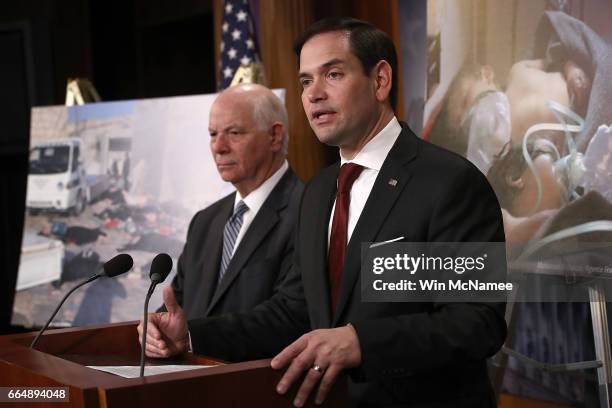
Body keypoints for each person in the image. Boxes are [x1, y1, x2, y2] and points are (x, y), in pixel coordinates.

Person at [139, 18, 506, 407]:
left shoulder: (450, 182)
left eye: (332, 74)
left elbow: (477, 322)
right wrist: (191, 336)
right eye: (305, 81)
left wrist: (362, 342)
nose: (314, 94)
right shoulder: (318, 191)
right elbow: (294, 311)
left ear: (380, 80)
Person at [160, 83, 304, 319]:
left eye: (234, 133)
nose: (218, 147)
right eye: (213, 134)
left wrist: (190, 336)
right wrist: (156, 328)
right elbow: (179, 303)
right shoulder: (205, 221)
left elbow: (288, 317)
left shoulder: (309, 212)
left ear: (275, 136)